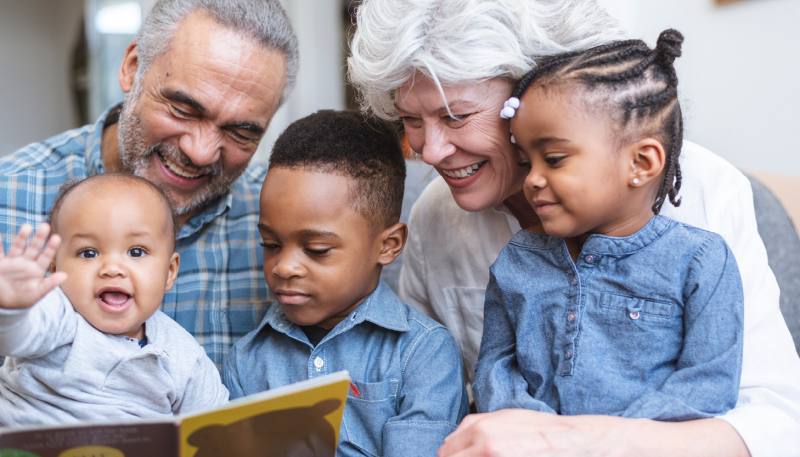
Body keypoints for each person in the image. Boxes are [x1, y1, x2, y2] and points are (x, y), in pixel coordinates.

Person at [347, 0, 800, 455]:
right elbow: (428, 392)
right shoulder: (434, 217)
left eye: (456, 116)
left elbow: (776, 421)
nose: (430, 151)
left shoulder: (702, 190)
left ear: (542, 87)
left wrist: (576, 442)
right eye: (410, 120)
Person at [0, 0, 298, 368]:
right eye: (183, 110)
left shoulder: (280, 226)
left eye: (240, 132)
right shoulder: (8, 198)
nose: (201, 153)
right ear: (131, 68)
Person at [474, 29, 744, 421]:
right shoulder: (517, 259)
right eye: (525, 161)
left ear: (641, 163)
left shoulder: (700, 261)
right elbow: (495, 370)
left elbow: (707, 385)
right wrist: (539, 434)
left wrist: (603, 442)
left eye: (553, 158)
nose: (531, 179)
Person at [223, 110, 469, 456]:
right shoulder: (247, 360)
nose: (284, 267)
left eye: (317, 250)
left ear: (388, 246)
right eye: (271, 245)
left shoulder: (423, 354)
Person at [0, 174, 228, 426]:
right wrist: (11, 308)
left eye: (136, 251)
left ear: (169, 272)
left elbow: (218, 426)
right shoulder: (58, 313)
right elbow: (13, 337)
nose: (112, 268)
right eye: (88, 253)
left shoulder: (183, 356)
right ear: (55, 270)